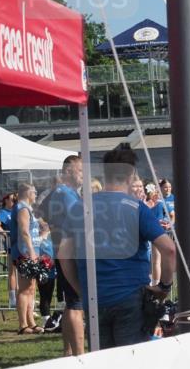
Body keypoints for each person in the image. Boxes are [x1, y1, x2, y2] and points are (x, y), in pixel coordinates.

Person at [59, 144, 177, 350]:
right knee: (132, 364)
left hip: (96, 299)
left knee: (103, 366)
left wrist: (81, 289)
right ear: (131, 176)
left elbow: (63, 255)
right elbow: (169, 249)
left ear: (105, 173)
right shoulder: (136, 207)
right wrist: (164, 287)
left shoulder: (80, 206)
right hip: (131, 297)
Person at [39, 154, 86, 355]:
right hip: (70, 252)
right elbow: (78, 222)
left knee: (71, 303)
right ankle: (79, 354)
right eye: (81, 170)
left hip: (62, 251)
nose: (84, 175)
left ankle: (68, 352)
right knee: (76, 304)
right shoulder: (66, 194)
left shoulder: (57, 192)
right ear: (68, 171)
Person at [11, 183, 43, 334]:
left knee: (31, 288)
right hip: (24, 252)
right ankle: (22, 324)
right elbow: (24, 231)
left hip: (32, 252)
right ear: (27, 193)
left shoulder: (28, 208)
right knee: (25, 289)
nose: (36, 194)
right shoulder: (22, 208)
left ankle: (31, 321)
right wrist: (31, 251)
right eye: (34, 192)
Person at [0, 193, 17, 308]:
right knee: (12, 272)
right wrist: (5, 234)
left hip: (20, 244)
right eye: (12, 199)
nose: (14, 201)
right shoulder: (4, 212)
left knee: (22, 273)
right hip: (11, 245)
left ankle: (21, 297)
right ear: (6, 200)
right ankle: (12, 299)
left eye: (15, 199)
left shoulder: (17, 210)